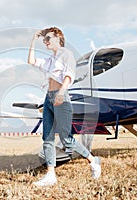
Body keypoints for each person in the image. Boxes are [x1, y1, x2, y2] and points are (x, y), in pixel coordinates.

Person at [27, 27, 101, 187]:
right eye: (44, 39)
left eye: (48, 39)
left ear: (58, 39)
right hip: (48, 98)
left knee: (66, 139)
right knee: (47, 137)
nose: (45, 42)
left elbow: (69, 75)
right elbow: (31, 61)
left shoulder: (66, 54)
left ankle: (93, 160)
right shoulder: (50, 59)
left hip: (61, 97)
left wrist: (61, 93)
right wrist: (33, 40)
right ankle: (50, 175)